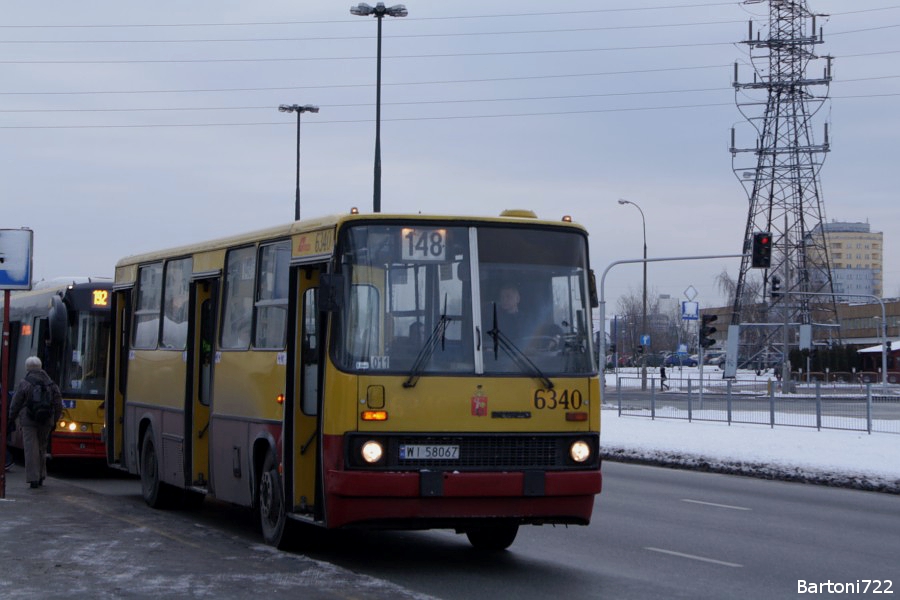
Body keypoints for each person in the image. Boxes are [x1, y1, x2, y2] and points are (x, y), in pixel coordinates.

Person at [8, 356, 63, 489]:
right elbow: (58, 403)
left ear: (27, 368)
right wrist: (54, 420)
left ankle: (33, 478)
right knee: (42, 447)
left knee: (30, 448)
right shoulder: (50, 383)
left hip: (28, 420)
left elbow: (16, 403)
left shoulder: (25, 383)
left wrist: (11, 418)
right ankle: (41, 475)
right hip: (47, 420)